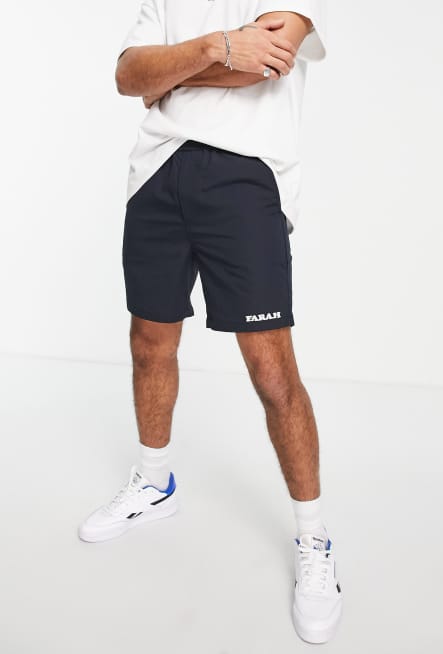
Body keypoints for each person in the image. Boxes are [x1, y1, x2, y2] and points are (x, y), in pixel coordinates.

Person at [78, 0, 341, 644]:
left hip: (246, 179)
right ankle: (153, 481)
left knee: (272, 370)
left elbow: (264, 66)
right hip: (156, 174)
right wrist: (218, 46)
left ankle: (314, 539)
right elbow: (128, 77)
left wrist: (170, 75)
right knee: (149, 341)